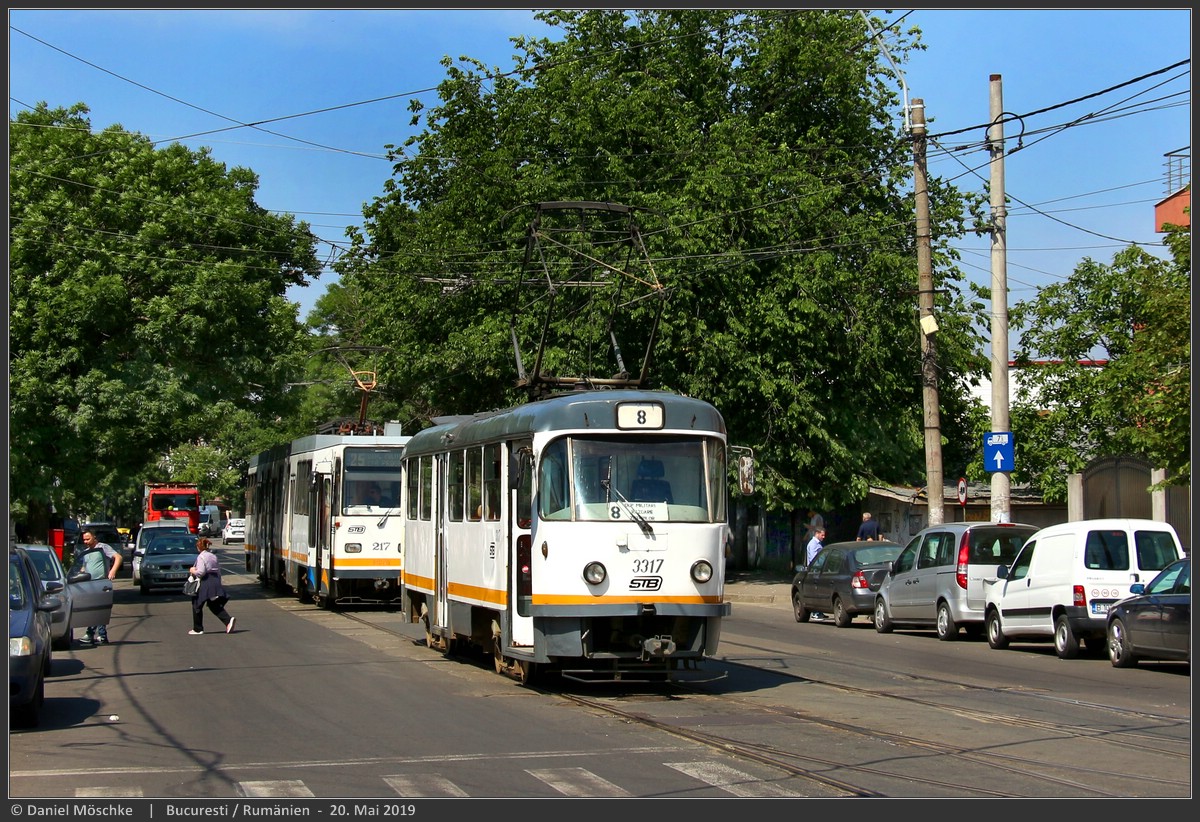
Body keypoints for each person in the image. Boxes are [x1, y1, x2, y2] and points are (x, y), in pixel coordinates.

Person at [76, 529, 122, 645]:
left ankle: (91, 634)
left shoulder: (102, 548)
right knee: (95, 609)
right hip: (89, 585)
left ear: (94, 538)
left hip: (101, 584)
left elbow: (118, 557)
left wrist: (112, 571)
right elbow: (84, 567)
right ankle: (101, 635)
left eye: (88, 539)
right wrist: (79, 576)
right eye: (84, 540)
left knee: (97, 608)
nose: (85, 542)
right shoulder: (86, 552)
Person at [188, 537, 235, 635]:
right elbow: (218, 570)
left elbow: (201, 572)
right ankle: (228, 621)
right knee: (213, 604)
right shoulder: (213, 556)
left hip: (206, 582)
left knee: (197, 603)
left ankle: (197, 628)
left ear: (199, 547)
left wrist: (192, 570)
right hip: (215, 581)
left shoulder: (201, 557)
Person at [805, 526, 828, 620]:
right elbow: (815, 559)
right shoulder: (813, 544)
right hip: (815, 571)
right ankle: (815, 612)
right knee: (815, 591)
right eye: (822, 535)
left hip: (818, 571)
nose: (823, 537)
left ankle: (819, 612)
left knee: (819, 591)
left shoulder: (816, 543)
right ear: (817, 534)